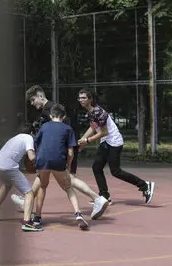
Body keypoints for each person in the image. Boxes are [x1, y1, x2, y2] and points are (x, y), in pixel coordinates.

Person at [22, 85, 108, 228]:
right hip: (60, 151)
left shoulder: (52, 109)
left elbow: (64, 130)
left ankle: (97, 198)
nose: (32, 103)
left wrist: (68, 152)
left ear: (40, 96)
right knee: (46, 181)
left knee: (68, 181)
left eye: (33, 99)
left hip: (61, 151)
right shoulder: (47, 111)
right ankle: (28, 199)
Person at [77, 87, 155, 204]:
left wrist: (87, 141)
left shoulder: (98, 112)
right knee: (97, 167)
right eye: (79, 98)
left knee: (116, 171)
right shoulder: (90, 113)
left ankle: (145, 185)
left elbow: (104, 132)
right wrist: (82, 140)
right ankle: (104, 196)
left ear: (90, 99)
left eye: (83, 98)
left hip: (114, 142)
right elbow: (93, 127)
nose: (80, 100)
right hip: (106, 142)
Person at [0, 123, 35, 221]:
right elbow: (31, 157)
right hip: (8, 166)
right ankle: (27, 222)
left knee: (7, 185)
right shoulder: (28, 138)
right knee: (29, 193)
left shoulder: (14, 138)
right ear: (31, 132)